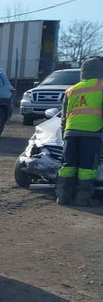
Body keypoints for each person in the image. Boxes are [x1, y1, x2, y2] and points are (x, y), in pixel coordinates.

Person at [55, 56, 103, 206]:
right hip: (92, 132)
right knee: (87, 168)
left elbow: (64, 116)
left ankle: (63, 197)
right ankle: (83, 198)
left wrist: (64, 133)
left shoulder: (71, 90)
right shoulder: (101, 86)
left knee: (67, 166)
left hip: (70, 133)